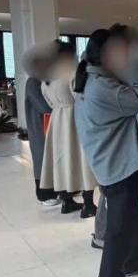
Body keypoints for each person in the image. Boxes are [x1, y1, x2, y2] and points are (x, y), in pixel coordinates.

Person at [74, 25, 138, 277]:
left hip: (110, 159)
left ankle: (134, 260)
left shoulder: (89, 77)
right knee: (119, 225)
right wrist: (136, 68)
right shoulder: (103, 87)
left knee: (131, 214)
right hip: (115, 163)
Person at [40, 41, 98, 217]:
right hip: (74, 118)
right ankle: (88, 205)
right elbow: (81, 97)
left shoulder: (47, 78)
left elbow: (48, 101)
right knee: (82, 160)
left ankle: (67, 201)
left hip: (57, 119)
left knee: (61, 160)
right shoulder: (73, 74)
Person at [22, 44, 59, 206]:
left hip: (49, 127)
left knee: (49, 160)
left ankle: (54, 191)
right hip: (39, 128)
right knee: (41, 160)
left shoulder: (44, 81)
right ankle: (44, 195)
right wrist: (61, 106)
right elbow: (43, 106)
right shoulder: (33, 82)